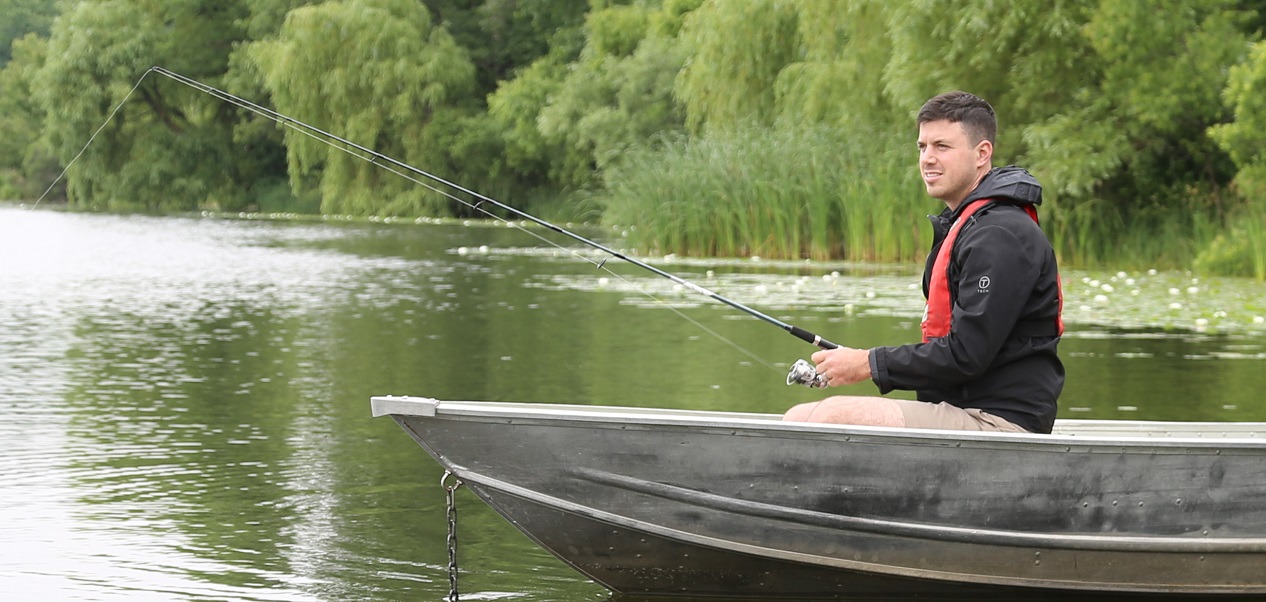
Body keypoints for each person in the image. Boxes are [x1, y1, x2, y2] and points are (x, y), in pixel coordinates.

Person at [783, 91, 1064, 434]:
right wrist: (867, 362)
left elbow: (966, 354)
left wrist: (867, 364)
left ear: (982, 153)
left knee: (829, 417)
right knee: (799, 417)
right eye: (922, 147)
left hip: (1000, 421)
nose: (928, 158)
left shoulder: (1000, 235)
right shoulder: (970, 226)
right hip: (960, 408)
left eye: (942, 147)